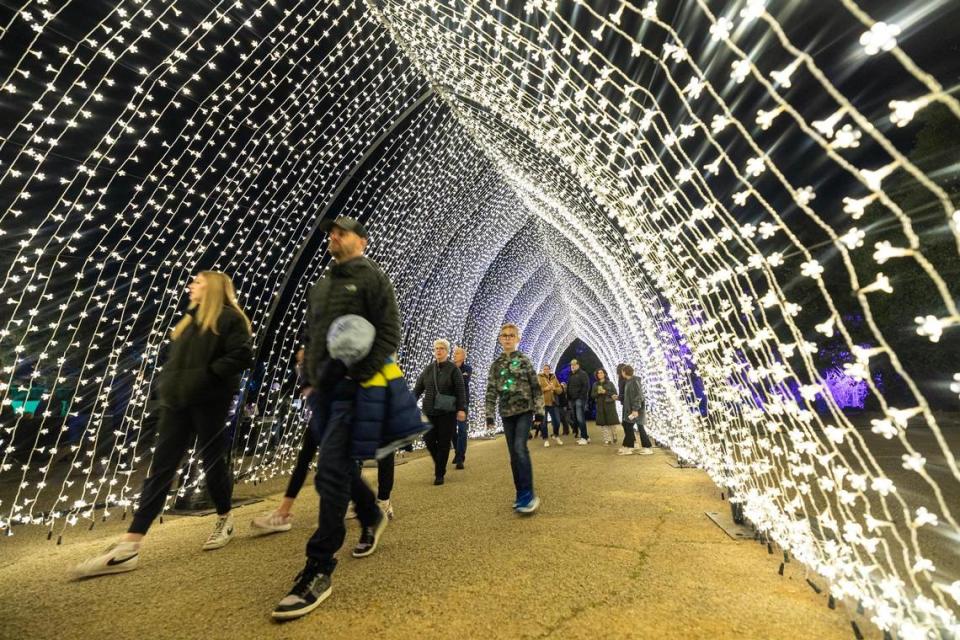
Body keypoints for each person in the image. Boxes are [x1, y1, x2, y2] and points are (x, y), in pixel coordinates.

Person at [74, 271, 253, 578]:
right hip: (176, 402)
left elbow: (242, 355)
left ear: (213, 288)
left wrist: (206, 377)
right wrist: (166, 386)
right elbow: (174, 364)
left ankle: (225, 518)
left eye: (197, 282)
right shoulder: (187, 323)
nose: (190, 286)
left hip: (209, 399)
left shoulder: (228, 319)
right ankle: (130, 545)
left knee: (212, 461)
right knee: (161, 468)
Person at [272, 215, 401, 620]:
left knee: (329, 471)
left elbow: (389, 332)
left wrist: (361, 374)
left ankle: (319, 566)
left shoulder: (372, 279)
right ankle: (371, 513)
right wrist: (308, 381)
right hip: (322, 393)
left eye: (342, 232)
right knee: (341, 467)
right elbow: (312, 336)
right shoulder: (322, 285)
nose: (333, 236)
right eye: (332, 231)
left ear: (361, 240)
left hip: (353, 389)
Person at [485, 323, 544, 514]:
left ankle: (528, 494)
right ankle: (520, 494)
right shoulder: (496, 365)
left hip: (524, 411)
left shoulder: (524, 360)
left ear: (518, 339)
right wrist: (489, 415)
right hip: (506, 413)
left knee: (520, 448)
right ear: (500, 339)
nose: (508, 338)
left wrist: (539, 412)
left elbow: (536, 387)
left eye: (511, 335)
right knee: (513, 455)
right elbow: (491, 390)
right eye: (504, 335)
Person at [415, 339, 467, 485]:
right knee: (429, 440)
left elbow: (460, 390)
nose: (438, 351)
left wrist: (461, 409)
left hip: (447, 413)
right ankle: (440, 462)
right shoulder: (428, 369)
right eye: (436, 348)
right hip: (428, 411)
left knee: (444, 443)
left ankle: (439, 473)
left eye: (442, 348)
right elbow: (418, 389)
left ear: (447, 351)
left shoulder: (453, 369)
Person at [619, 365, 654, 455]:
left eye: (622, 371)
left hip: (636, 410)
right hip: (633, 410)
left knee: (631, 426)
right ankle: (636, 446)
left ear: (624, 372)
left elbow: (638, 396)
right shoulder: (630, 381)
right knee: (632, 426)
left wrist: (635, 409)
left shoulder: (634, 382)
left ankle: (632, 447)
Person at [451, 346, 472, 469]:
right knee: (452, 430)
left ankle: (460, 457)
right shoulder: (449, 366)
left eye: (458, 353)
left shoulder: (467, 368)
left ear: (464, 356)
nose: (455, 354)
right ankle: (457, 452)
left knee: (462, 429)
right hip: (450, 403)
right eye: (455, 353)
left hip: (463, 402)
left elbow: (464, 382)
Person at [536, 365, 564, 446]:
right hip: (543, 403)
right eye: (545, 369)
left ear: (550, 370)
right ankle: (545, 439)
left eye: (547, 369)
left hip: (553, 403)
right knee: (543, 423)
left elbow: (560, 390)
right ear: (542, 370)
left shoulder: (554, 377)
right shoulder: (539, 377)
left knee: (557, 421)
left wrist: (554, 388)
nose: (546, 370)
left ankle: (555, 435)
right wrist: (545, 389)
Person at [591, 368, 620, 445]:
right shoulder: (595, 384)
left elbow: (615, 393)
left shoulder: (610, 383)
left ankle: (614, 435)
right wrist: (598, 393)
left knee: (612, 423)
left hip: (609, 405)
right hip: (600, 405)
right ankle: (607, 440)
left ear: (604, 374)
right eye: (598, 373)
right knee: (603, 423)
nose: (599, 374)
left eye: (601, 373)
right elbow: (592, 395)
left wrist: (606, 392)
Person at [566, 359, 591, 445]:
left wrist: (580, 397)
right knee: (576, 419)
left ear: (578, 365)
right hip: (572, 399)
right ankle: (586, 437)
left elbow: (586, 386)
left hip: (579, 399)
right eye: (571, 365)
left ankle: (583, 437)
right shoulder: (571, 375)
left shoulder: (582, 374)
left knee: (580, 418)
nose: (572, 366)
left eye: (574, 364)